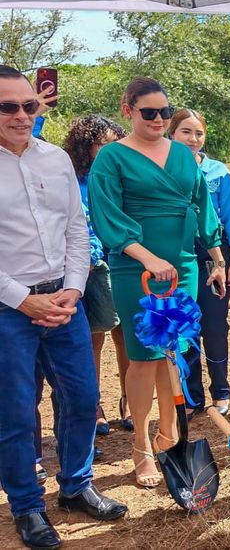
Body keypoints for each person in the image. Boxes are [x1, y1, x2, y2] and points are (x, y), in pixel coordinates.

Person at [0, 64, 128, 550]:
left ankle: (75, 485)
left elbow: (78, 229)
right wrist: (23, 300)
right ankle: (27, 507)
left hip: (64, 300)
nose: (21, 115)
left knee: (79, 398)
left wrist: (73, 288)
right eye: (8, 107)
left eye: (29, 105)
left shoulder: (55, 160)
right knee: (15, 412)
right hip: (9, 308)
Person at [88, 77, 226, 488]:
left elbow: (203, 208)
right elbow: (106, 215)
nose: (159, 120)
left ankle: (171, 435)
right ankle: (142, 448)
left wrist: (217, 259)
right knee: (144, 356)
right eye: (149, 112)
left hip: (183, 265)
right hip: (139, 270)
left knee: (174, 353)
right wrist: (149, 258)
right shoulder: (111, 158)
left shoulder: (184, 156)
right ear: (127, 110)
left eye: (165, 112)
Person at [62, 115, 133, 433]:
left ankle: (130, 399)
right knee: (94, 337)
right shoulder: (71, 177)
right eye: (104, 144)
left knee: (126, 337)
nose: (111, 149)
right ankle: (94, 405)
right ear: (85, 146)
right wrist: (88, 257)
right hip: (89, 266)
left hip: (123, 260)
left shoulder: (122, 175)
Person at [168, 108, 230, 418]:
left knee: (214, 326)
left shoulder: (219, 172)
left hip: (214, 259)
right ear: (172, 134)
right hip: (177, 259)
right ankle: (191, 395)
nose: (193, 139)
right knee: (185, 328)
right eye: (186, 132)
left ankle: (221, 391)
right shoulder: (162, 170)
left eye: (198, 133)